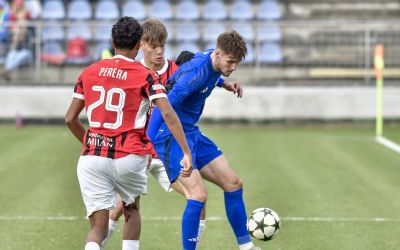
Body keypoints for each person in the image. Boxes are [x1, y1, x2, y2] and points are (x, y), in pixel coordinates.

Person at [65, 16, 193, 250]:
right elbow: (167, 113)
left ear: (112, 41)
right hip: (130, 156)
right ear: (138, 46)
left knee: (98, 228)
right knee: (131, 210)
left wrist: (90, 142)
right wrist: (185, 150)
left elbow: (69, 118)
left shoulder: (89, 72)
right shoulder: (145, 75)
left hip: (92, 157)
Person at [147, 30, 260, 250]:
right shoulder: (193, 75)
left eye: (237, 63)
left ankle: (247, 247)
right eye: (231, 62)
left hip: (191, 132)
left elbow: (211, 73)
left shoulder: (212, 59)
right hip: (169, 136)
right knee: (198, 196)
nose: (233, 67)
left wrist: (223, 84)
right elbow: (163, 106)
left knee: (233, 184)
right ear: (218, 53)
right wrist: (147, 141)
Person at [101, 19, 207, 249]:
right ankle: (94, 245)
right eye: (153, 46)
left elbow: (199, 79)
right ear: (141, 45)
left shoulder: (175, 71)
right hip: (136, 151)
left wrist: (224, 84)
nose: (159, 51)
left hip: (165, 150)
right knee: (121, 208)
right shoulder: (130, 72)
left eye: (162, 46)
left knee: (198, 197)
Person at [2, 0, 32, 80]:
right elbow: (11, 21)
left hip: (29, 53)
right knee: (12, 54)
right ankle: (7, 71)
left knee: (23, 54)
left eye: (20, 8)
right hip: (16, 51)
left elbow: (28, 17)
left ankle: (7, 70)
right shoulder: (14, 28)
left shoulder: (29, 26)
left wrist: (22, 28)